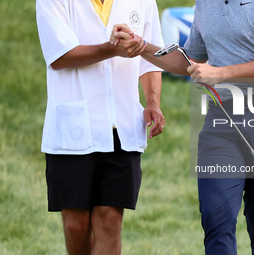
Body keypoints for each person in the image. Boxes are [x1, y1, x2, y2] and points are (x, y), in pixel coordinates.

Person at [111, 0, 254, 254]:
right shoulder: (206, 3)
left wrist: (221, 73)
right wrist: (143, 47)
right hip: (222, 120)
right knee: (215, 218)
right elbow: (189, 59)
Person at [36, 0, 164, 254]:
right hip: (73, 130)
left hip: (122, 128)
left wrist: (152, 101)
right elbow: (60, 56)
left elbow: (151, 58)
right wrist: (112, 48)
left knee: (110, 220)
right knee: (76, 225)